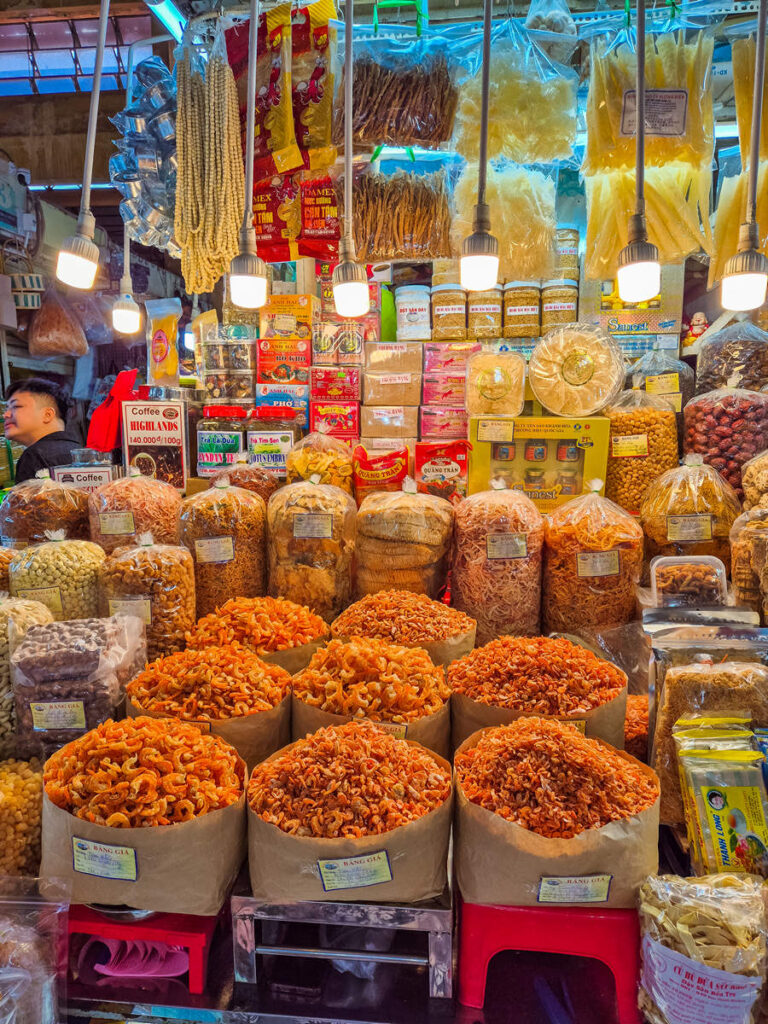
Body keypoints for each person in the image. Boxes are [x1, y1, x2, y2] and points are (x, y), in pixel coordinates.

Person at [3, 378, 80, 483]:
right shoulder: (78, 450)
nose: (6, 415)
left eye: (16, 406)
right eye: (7, 408)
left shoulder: (35, 456)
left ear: (47, 415)